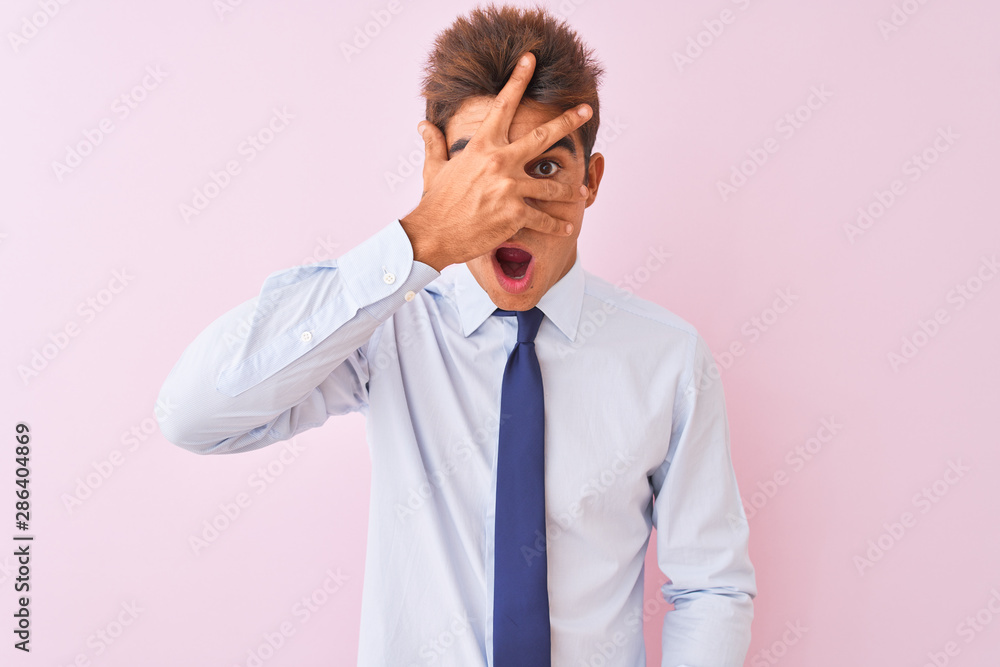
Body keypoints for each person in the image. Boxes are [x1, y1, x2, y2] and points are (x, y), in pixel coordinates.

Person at [157, 4, 756, 665]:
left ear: (591, 180)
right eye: (478, 172)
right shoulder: (386, 326)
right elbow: (193, 414)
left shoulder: (667, 359)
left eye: (546, 168)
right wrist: (424, 237)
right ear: (437, 174)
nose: (509, 207)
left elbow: (711, 584)